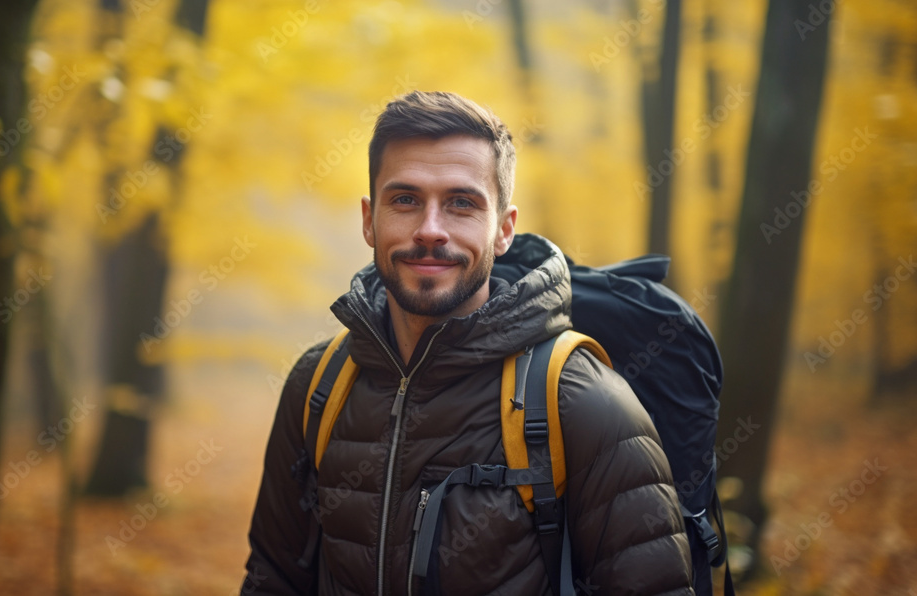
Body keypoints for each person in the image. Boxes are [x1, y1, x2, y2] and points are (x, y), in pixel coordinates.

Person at [241, 91, 694, 595]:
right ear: (370, 220)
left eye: (461, 203)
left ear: (503, 230)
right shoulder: (319, 384)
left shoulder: (582, 401)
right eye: (406, 200)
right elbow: (273, 577)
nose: (431, 230)